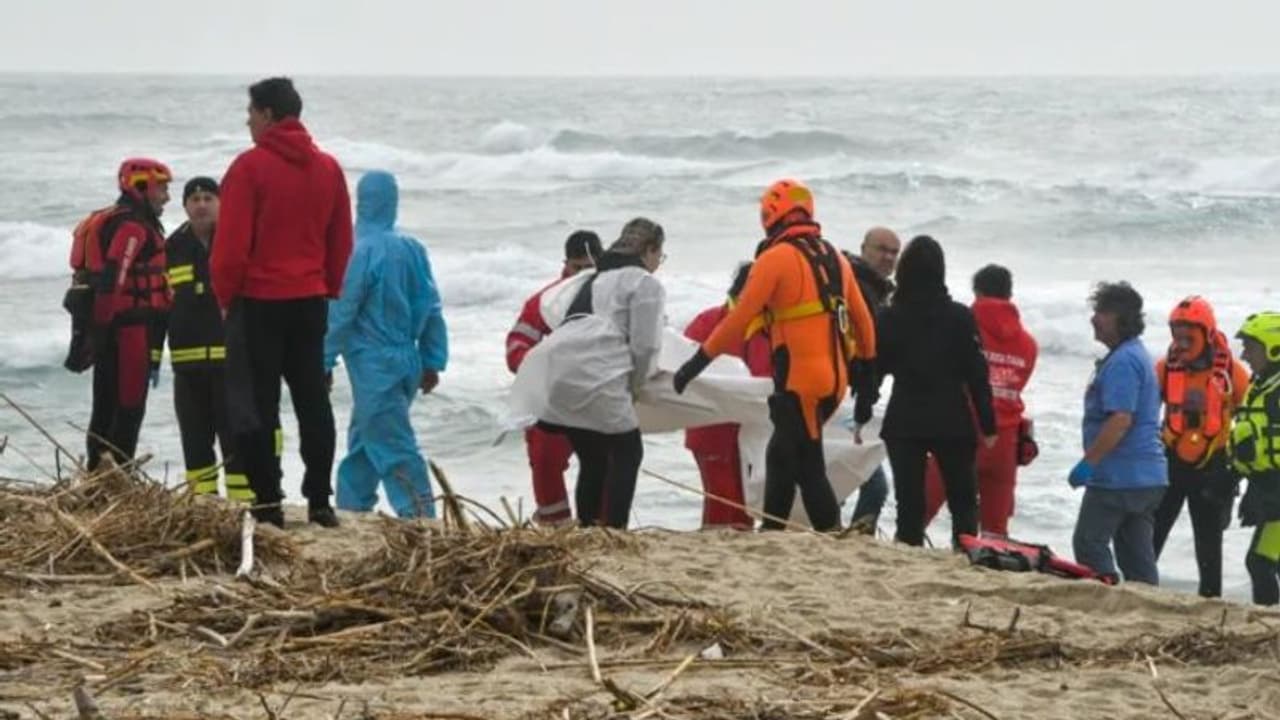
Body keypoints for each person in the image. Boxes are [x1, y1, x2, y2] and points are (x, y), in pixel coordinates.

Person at [673, 179, 877, 532]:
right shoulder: (835, 258)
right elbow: (863, 322)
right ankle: (772, 531)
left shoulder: (775, 258)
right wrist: (867, 379)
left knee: (808, 464)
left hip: (801, 382)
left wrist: (695, 364)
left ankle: (831, 534)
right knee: (781, 453)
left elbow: (739, 319)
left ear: (771, 215)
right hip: (835, 382)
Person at [212, 77, 353, 529]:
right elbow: (341, 241)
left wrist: (224, 296)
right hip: (310, 300)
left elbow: (231, 246)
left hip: (258, 301)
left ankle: (268, 500)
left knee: (257, 405)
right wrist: (327, 286)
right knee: (313, 400)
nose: (247, 120)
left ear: (269, 115)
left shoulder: (249, 168)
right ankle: (319, 500)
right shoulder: (329, 168)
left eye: (251, 112)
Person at [324, 171, 447, 519]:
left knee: (393, 445)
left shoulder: (357, 250)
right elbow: (432, 306)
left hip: (372, 362)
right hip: (407, 357)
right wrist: (432, 359)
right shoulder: (412, 248)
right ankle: (352, 507)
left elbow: (342, 311)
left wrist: (323, 359)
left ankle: (421, 517)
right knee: (365, 441)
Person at [532, 218, 667, 529]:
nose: (659, 263)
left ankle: (589, 528)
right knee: (628, 451)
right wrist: (635, 387)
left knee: (593, 458)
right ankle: (614, 530)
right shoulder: (644, 283)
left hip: (558, 373)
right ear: (649, 250)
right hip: (597, 377)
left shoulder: (593, 278)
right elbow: (645, 346)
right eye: (660, 255)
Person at [873, 236, 996, 547]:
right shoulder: (959, 316)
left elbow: (874, 368)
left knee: (909, 503)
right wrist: (988, 423)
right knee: (963, 500)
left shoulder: (889, 316)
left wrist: (862, 410)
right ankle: (965, 553)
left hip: (905, 417)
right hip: (950, 417)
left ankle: (909, 551)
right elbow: (977, 373)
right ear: (940, 271)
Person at [921, 264, 1038, 538]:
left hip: (960, 432)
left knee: (920, 511)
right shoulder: (1028, 344)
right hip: (1005, 441)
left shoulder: (961, 326)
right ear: (1010, 295)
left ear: (977, 292)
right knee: (995, 531)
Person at [159, 177, 253, 502]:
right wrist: (153, 357)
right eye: (194, 198)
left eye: (208, 197)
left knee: (237, 441)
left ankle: (245, 506)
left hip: (232, 364)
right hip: (187, 368)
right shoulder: (171, 248)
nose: (201, 204)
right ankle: (204, 506)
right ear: (184, 206)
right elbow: (160, 307)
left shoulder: (236, 241)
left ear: (221, 202)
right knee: (195, 443)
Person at [77, 158, 173, 470]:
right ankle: (117, 474)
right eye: (162, 189)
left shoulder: (118, 220)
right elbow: (116, 275)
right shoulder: (132, 227)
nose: (167, 197)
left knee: (104, 404)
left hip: (112, 329)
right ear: (142, 186)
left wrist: (99, 331)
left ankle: (99, 473)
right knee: (128, 407)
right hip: (129, 329)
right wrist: (104, 326)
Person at [1069, 282, 1167, 585]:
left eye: (1102, 312)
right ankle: (1146, 605)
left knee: (1088, 543)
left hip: (1119, 477)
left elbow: (1120, 420)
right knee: (1137, 558)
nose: (1094, 318)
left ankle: (1106, 594)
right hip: (1148, 477)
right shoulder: (1136, 354)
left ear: (1122, 318)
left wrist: (1088, 464)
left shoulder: (1124, 361)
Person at [1151, 296, 1248, 598]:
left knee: (1208, 543)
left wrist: (1238, 471)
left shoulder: (1233, 373)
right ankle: (1137, 589)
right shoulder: (1165, 369)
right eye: (1176, 336)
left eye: (1187, 336)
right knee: (1151, 533)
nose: (1180, 344)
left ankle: (1210, 600)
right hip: (1170, 463)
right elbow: (1143, 414)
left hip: (1213, 466)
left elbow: (1251, 420)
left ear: (1206, 334)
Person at [505, 231, 603, 526]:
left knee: (607, 464)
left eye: (590, 267)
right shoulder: (545, 301)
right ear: (565, 265)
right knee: (545, 458)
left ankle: (602, 525)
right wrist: (540, 367)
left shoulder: (613, 296)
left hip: (598, 394)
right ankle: (555, 524)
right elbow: (516, 346)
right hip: (552, 398)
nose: (583, 274)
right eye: (577, 267)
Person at [682, 262, 773, 530]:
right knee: (723, 505)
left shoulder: (770, 327)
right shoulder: (708, 322)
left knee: (745, 506)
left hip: (756, 433)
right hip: (713, 430)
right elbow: (684, 372)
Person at [844, 226, 900, 531]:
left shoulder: (881, 292)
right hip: (840, 394)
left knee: (865, 481)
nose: (888, 257)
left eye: (894, 253)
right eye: (882, 249)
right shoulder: (852, 284)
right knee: (872, 484)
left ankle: (848, 539)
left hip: (858, 399)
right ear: (863, 248)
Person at [1229, 312, 1280, 605]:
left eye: (1251, 348)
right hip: (1266, 486)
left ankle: (1268, 624)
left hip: (1276, 489)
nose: (1244, 355)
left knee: (1260, 562)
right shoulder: (1261, 386)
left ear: (1274, 348)